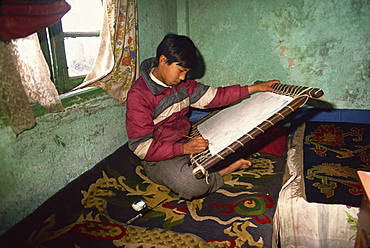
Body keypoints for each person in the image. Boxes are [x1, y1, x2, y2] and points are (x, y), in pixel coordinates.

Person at [126, 34, 279, 200]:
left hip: (186, 141)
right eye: (181, 70)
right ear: (163, 61)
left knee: (242, 141)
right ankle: (223, 171)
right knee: (190, 184)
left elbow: (217, 96)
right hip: (159, 157)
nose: (183, 77)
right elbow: (141, 147)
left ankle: (202, 168)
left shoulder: (182, 85)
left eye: (186, 72)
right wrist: (183, 149)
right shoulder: (139, 95)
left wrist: (255, 88)